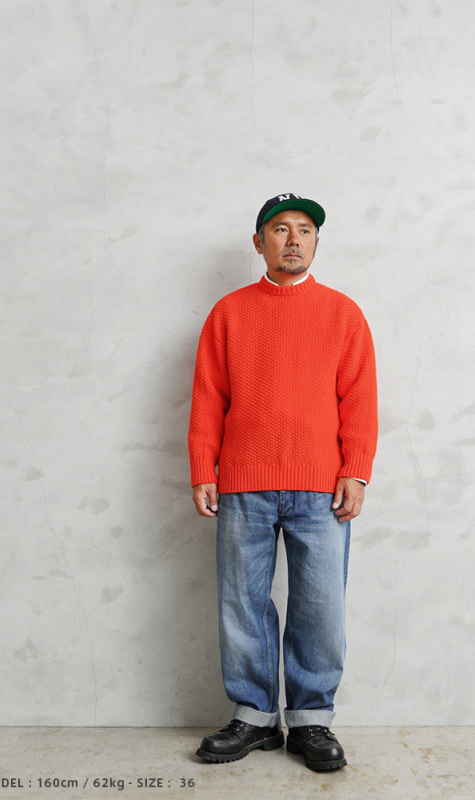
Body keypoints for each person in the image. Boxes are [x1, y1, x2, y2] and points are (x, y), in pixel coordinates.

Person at [188, 193, 378, 771]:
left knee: (319, 605)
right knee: (241, 602)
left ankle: (311, 719)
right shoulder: (228, 313)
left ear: (316, 242)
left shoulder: (343, 314)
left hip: (321, 487)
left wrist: (356, 470)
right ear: (259, 242)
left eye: (304, 230)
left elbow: (360, 400)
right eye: (279, 229)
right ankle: (254, 717)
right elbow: (209, 397)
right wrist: (202, 468)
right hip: (243, 482)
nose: (293, 239)